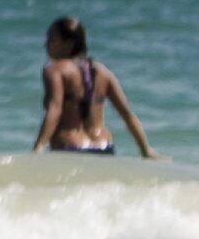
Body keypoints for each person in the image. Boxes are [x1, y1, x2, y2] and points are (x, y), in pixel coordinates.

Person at [33, 16, 154, 158]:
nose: (46, 44)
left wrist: (39, 146)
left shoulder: (54, 70)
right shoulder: (103, 71)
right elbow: (126, 114)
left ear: (69, 43)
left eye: (51, 39)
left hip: (70, 147)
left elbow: (55, 109)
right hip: (104, 147)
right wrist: (146, 150)